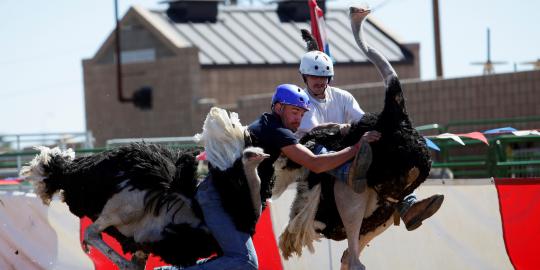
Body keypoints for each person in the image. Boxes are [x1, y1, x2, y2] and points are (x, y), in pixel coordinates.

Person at [157, 84, 378, 270]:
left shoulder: (269, 124)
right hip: (216, 200)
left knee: (234, 260)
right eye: (294, 112)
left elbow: (313, 136)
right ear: (279, 107)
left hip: (225, 199)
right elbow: (315, 163)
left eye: (302, 114)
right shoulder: (276, 131)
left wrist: (339, 130)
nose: (298, 119)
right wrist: (356, 148)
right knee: (245, 262)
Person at [296, 50, 444, 231]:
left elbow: (361, 120)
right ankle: (348, 173)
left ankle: (408, 204)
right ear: (305, 77)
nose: (319, 81)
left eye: (324, 77)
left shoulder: (343, 97)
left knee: (378, 142)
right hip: (313, 154)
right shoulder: (301, 100)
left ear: (330, 77)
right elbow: (315, 130)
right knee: (321, 148)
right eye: (314, 77)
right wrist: (343, 128)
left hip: (344, 146)